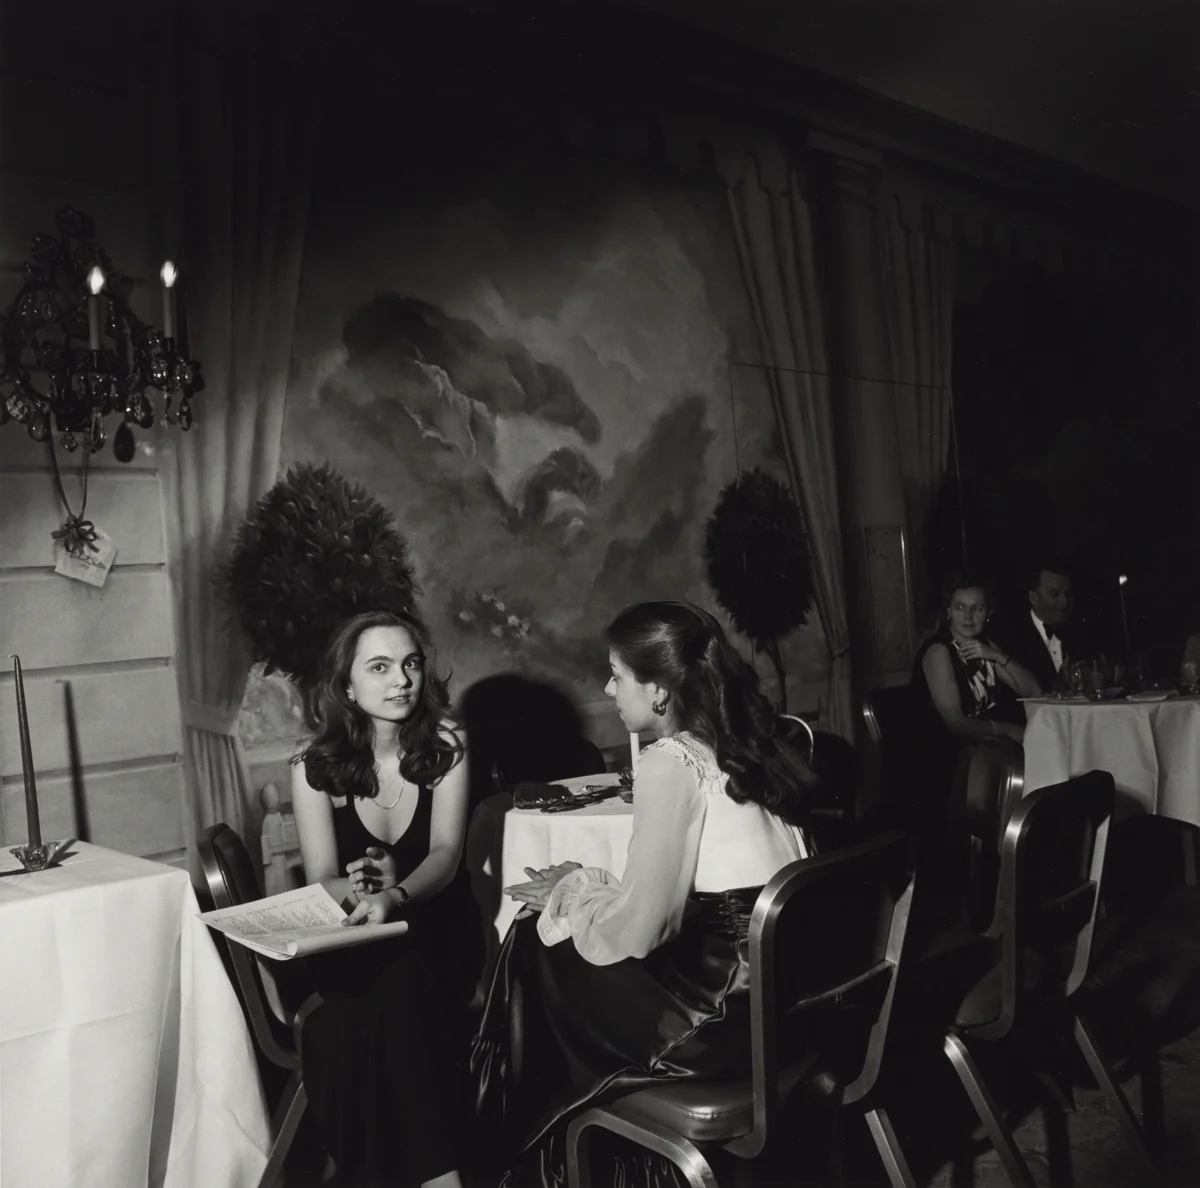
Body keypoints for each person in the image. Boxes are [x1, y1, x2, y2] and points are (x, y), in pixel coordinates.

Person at [470, 601, 817, 1187]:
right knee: (555, 942)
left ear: (658, 691)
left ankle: (543, 1164)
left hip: (725, 1013)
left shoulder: (671, 761)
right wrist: (586, 894)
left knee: (533, 944)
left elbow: (647, 928)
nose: (608, 688)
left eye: (617, 674)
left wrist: (574, 901)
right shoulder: (747, 743)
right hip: (790, 993)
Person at [292, 609, 483, 1188]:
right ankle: (440, 1178)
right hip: (358, 936)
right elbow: (322, 875)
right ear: (347, 686)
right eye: (380, 667)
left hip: (439, 929)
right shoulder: (312, 766)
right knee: (362, 1011)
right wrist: (356, 889)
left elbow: (447, 856)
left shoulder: (448, 745)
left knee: (350, 1022)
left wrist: (396, 893)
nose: (401, 679)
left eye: (410, 664)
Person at [912, 575, 1041, 746]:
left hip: (982, 743)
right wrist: (1008, 730)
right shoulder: (938, 651)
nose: (968, 616)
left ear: (988, 613)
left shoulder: (983, 644)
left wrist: (998, 656)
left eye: (977, 608)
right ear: (948, 611)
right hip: (941, 749)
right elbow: (954, 723)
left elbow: (1033, 690)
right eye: (960, 607)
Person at [991, 562, 1079, 694]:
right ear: (1033, 598)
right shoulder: (1009, 637)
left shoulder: (1079, 632)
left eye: (1068, 593)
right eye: (1055, 594)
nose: (1065, 601)